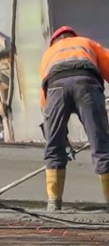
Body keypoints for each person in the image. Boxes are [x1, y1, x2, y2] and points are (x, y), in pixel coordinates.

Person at [39, 26, 109, 211]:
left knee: (53, 147)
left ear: (54, 40)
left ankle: (54, 204)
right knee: (101, 145)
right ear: (72, 36)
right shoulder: (86, 43)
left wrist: (62, 139)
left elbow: (44, 105)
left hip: (55, 88)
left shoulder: (49, 53)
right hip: (86, 84)